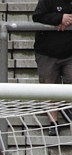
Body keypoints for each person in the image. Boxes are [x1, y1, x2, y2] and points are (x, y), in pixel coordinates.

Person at [32, 0, 72, 135]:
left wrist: (68, 20)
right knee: (48, 87)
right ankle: (53, 124)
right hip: (47, 52)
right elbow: (37, 16)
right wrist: (59, 18)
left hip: (69, 52)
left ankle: (66, 108)